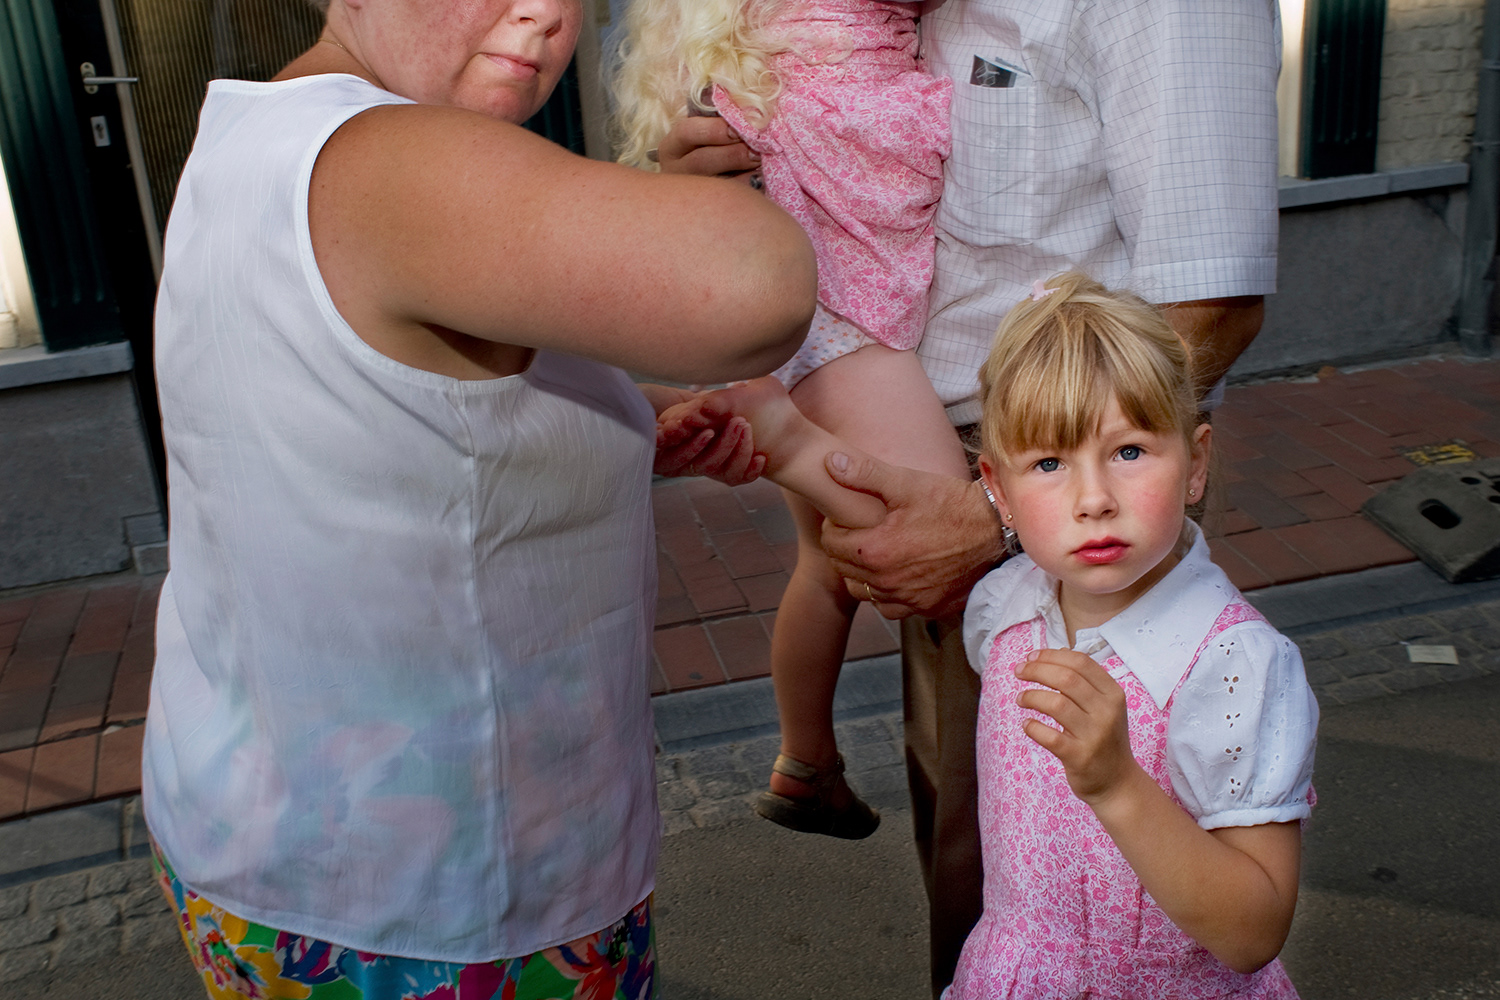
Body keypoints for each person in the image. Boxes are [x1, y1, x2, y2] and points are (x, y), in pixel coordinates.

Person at [140, 0, 818, 996]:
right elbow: (757, 283)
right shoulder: (391, 156)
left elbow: (379, 411)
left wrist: (605, 423)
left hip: (261, 839)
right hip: (446, 909)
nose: (543, 11)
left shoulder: (255, 125)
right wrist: (792, 141)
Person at [652, 1, 1281, 991]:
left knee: (1088, 890)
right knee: (982, 868)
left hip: (1066, 492)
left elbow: (1212, 304)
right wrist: (728, 175)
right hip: (952, 465)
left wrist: (998, 513)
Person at [612, 0, 970, 839]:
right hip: (840, 326)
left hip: (798, 324)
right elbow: (895, 159)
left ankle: (806, 763)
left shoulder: (758, 28)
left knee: (824, 570)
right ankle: (781, 437)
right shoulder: (836, 35)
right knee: (937, 537)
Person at [947, 271, 1316, 997]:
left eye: (1129, 452)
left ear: (1196, 462)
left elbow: (1252, 931)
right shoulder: (1001, 611)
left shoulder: (1235, 664)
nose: (1094, 500)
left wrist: (1117, 784)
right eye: (1049, 463)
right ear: (998, 489)